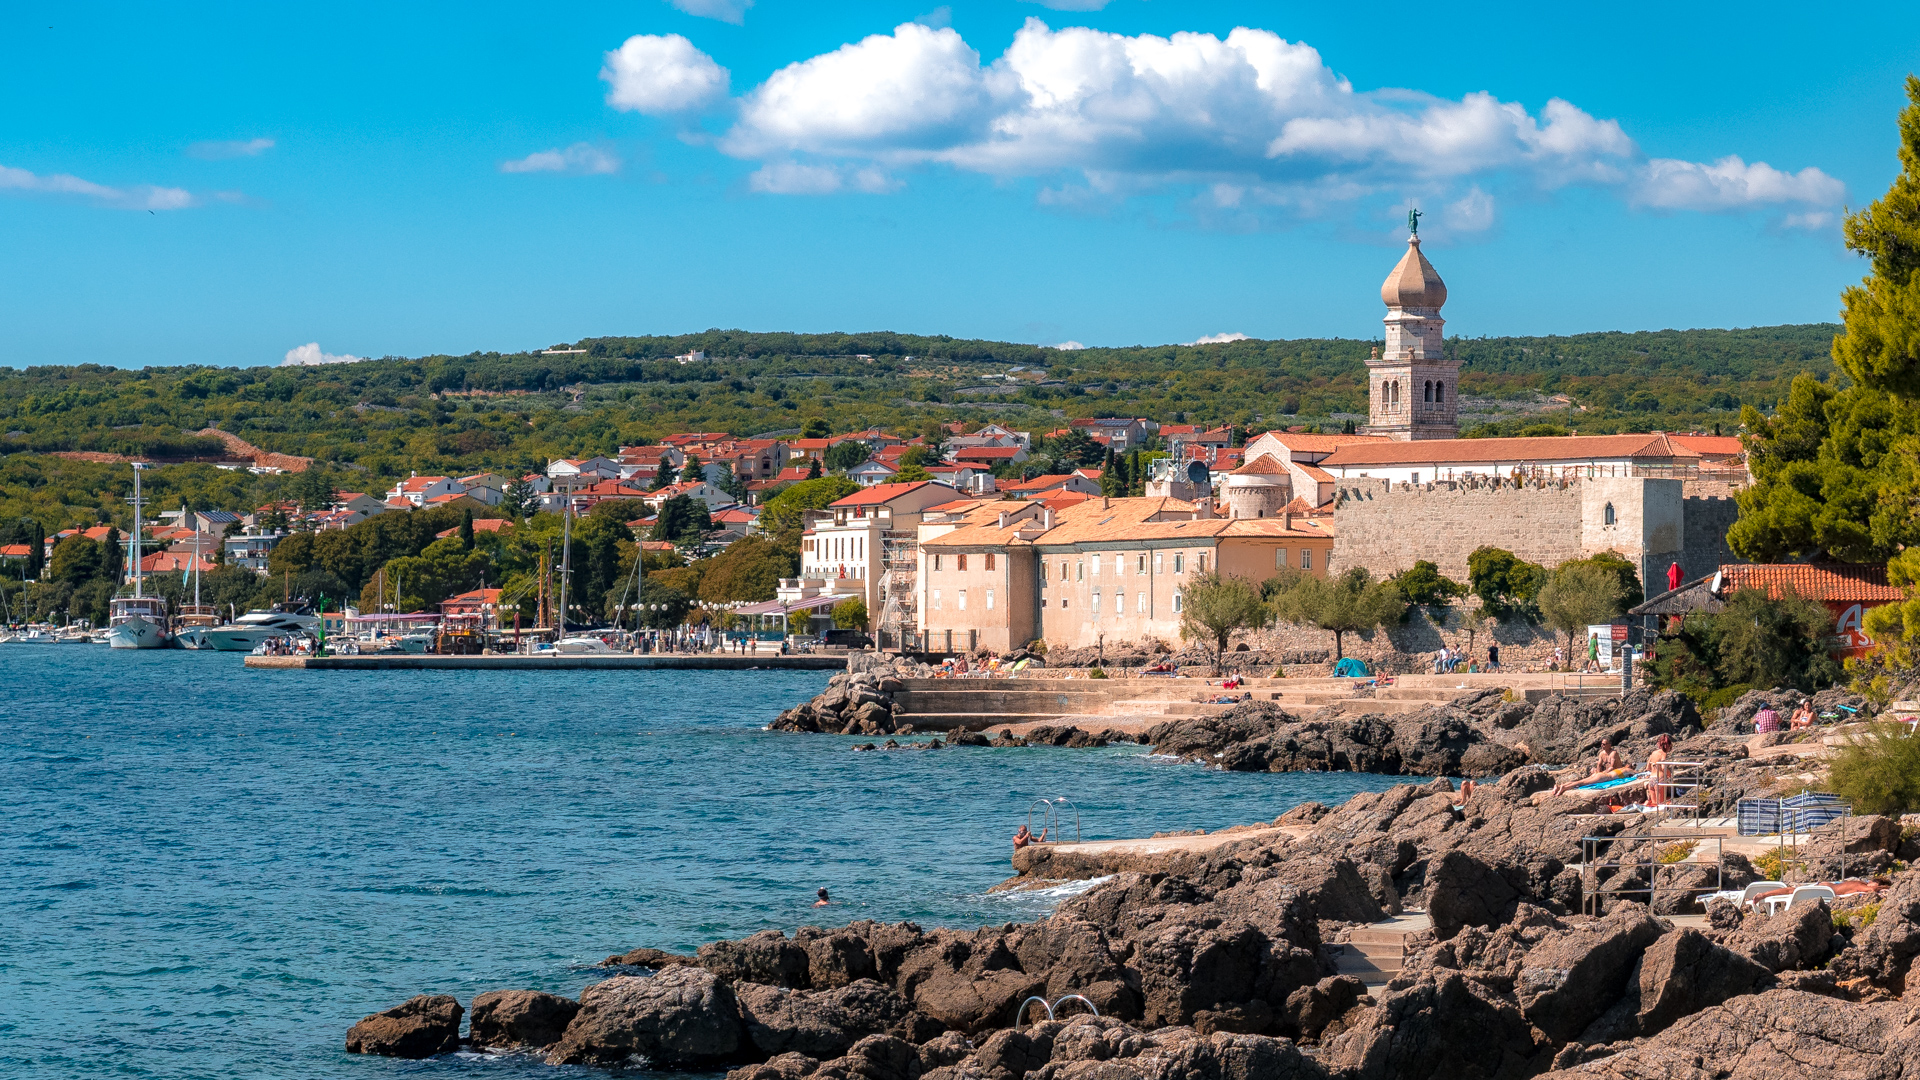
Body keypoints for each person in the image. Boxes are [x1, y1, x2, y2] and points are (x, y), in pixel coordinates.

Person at [1552, 738, 1625, 797]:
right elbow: (1599, 765)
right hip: (1606, 775)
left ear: (1609, 745)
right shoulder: (1602, 754)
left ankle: (1562, 787)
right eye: (1601, 744)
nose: (1602, 746)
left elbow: (1612, 767)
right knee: (1583, 781)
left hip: (1610, 774)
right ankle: (1562, 786)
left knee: (1583, 781)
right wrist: (1598, 773)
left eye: (1604, 744)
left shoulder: (1613, 753)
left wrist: (1601, 774)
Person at [1647, 733, 1673, 807]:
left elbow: (1648, 767)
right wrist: (1670, 775)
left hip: (1651, 779)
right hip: (1660, 779)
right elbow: (1663, 767)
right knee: (1661, 804)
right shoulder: (1663, 754)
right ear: (1668, 745)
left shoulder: (1653, 753)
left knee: (1654, 805)